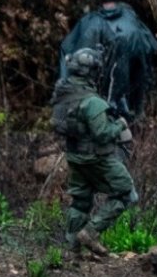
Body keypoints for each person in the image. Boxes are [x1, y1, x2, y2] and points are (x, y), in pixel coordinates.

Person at [50, 45, 138, 258]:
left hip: (75, 156)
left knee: (81, 200)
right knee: (127, 194)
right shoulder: (93, 102)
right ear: (92, 72)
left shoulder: (64, 94)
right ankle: (90, 233)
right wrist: (120, 125)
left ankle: (71, 249)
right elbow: (102, 134)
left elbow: (57, 124)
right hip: (98, 158)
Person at [57, 0, 157, 121]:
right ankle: (134, 116)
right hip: (133, 95)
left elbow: (68, 50)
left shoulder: (91, 23)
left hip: (105, 97)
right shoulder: (131, 18)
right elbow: (154, 49)